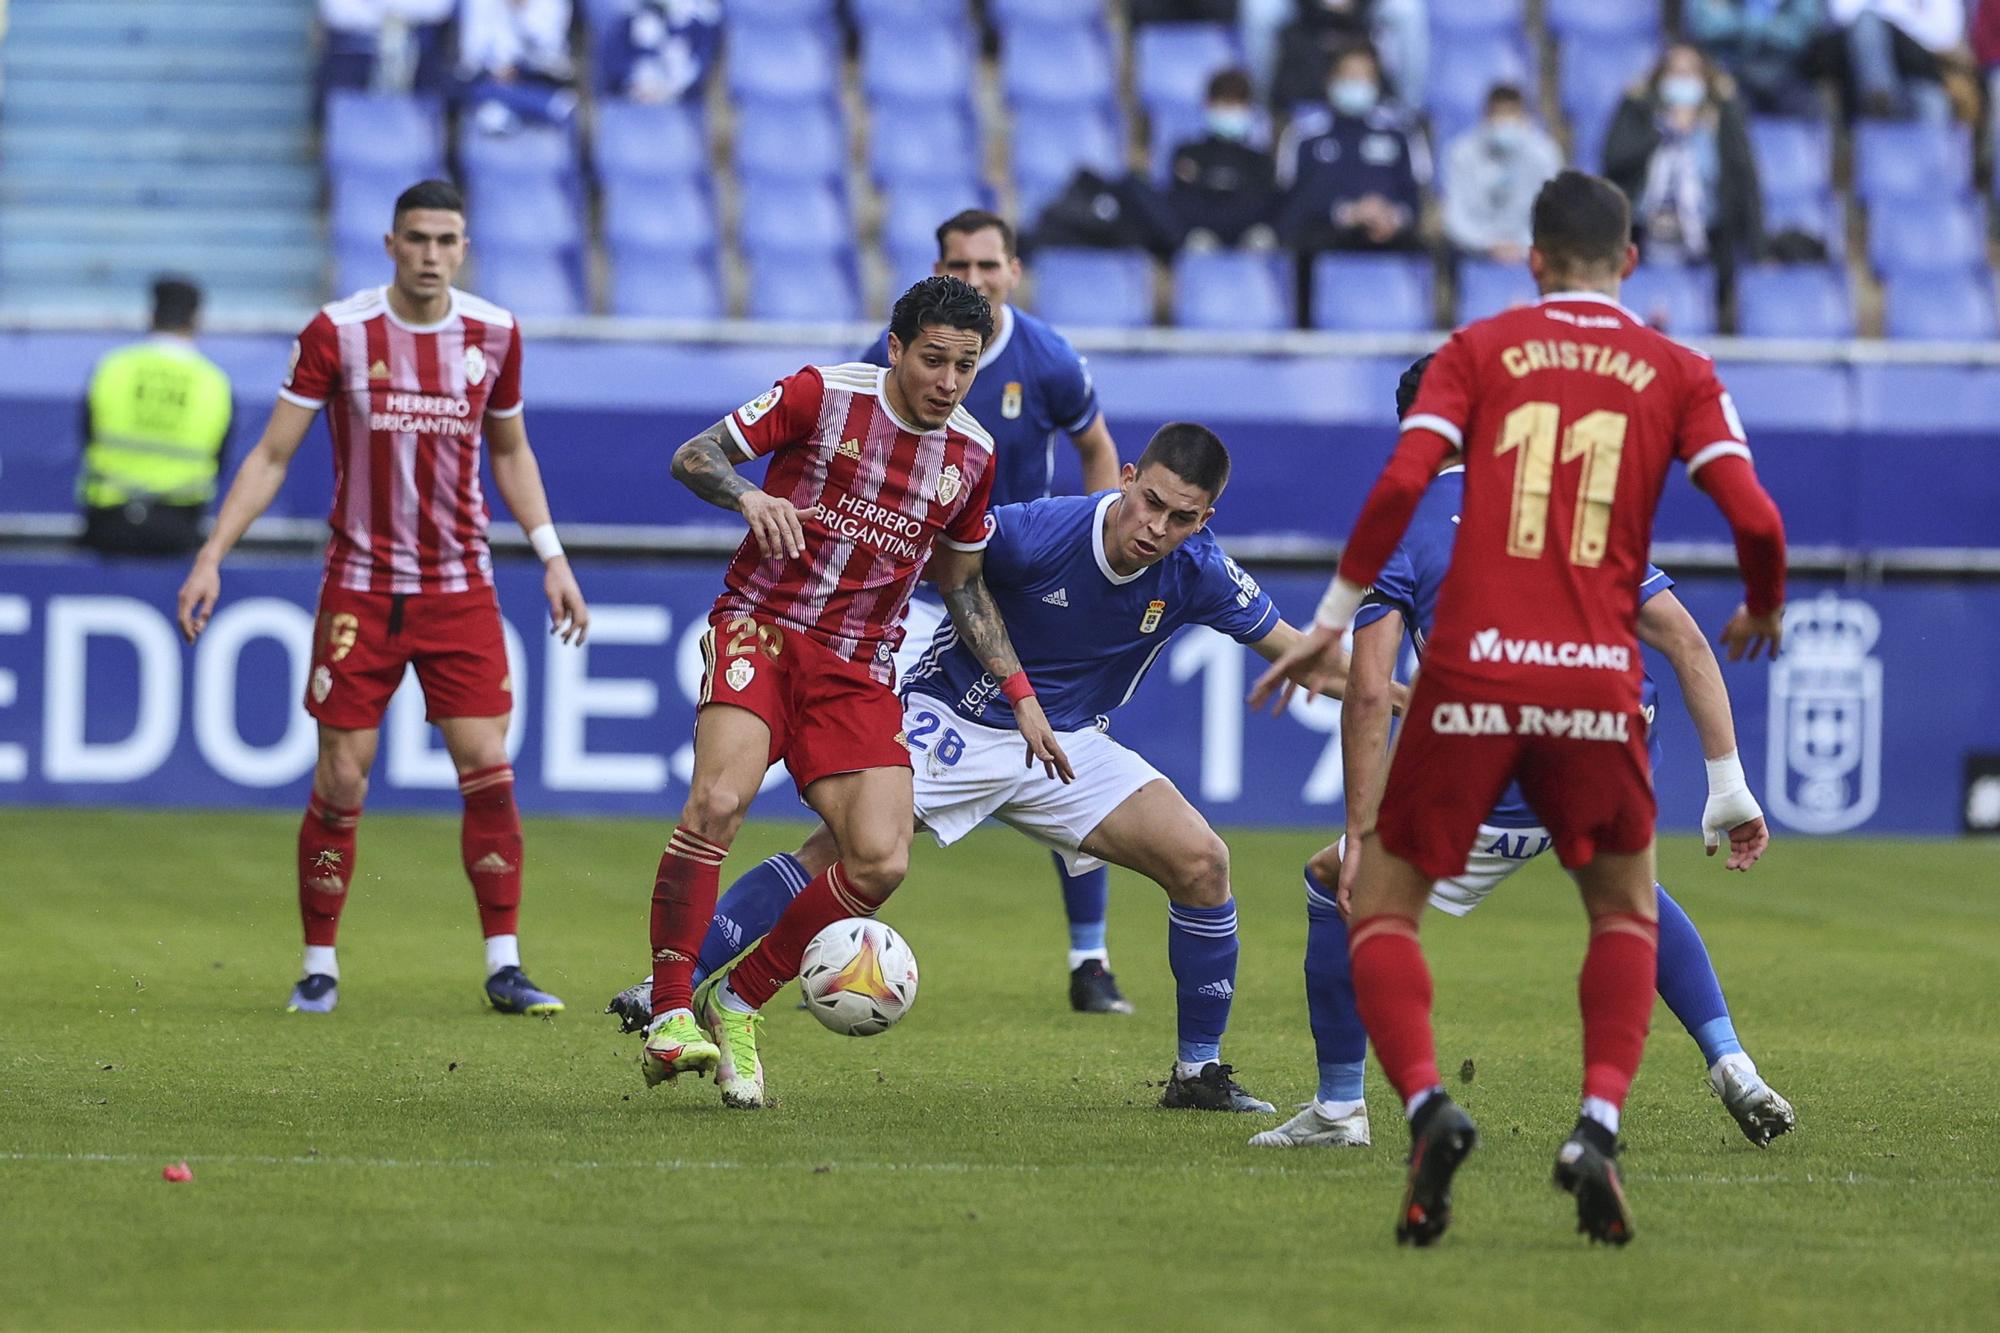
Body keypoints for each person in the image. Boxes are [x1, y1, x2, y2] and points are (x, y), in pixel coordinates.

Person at [1252, 170, 1787, 1247]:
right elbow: (1755, 518)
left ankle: (1414, 1103)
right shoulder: (1677, 368)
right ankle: (1594, 1122)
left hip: (1471, 687)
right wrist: (1761, 609)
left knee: (1373, 899)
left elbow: (1401, 486)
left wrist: (1331, 608)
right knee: (1621, 909)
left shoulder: (1476, 354)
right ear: (1627, 262)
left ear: (1530, 257)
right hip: (1595, 685)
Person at [621, 425, 1367, 1112]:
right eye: (1151, 503)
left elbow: (1302, 654)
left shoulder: (1199, 569)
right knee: (840, 855)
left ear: (1203, 522)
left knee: (1203, 862)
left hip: (1066, 744)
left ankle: (1197, 1074)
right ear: (1130, 478)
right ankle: (672, 987)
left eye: (1181, 519)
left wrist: (1396, 691)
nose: (1156, 528)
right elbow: (951, 567)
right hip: (954, 716)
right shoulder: (1044, 528)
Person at [639, 276, 1071, 1108]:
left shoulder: (973, 455)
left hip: (861, 663)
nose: (948, 381)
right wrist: (751, 493)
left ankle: (735, 1002)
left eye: (966, 366)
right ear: (897, 348)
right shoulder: (820, 395)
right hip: (762, 626)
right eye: (934, 360)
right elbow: (694, 455)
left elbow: (966, 585)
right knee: (719, 801)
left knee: (879, 858)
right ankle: (667, 1015)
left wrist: (1019, 692)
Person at [175, 179, 590, 1017]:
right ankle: (319, 964)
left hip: (460, 588)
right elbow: (270, 454)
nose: (431, 255)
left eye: (446, 241)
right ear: (391, 243)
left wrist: (552, 555)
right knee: (341, 777)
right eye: (417, 239)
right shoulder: (340, 331)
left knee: (487, 764)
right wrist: (213, 553)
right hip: (360, 591)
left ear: (463, 248)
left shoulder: (496, 333)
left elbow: (511, 451)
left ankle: (504, 964)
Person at [856, 211, 1132, 1015]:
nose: (973, 278)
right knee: (879, 758)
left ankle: (1090, 959)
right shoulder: (914, 348)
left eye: (987, 264)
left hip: (1014, 587)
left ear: (1013, 270)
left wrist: (1092, 533)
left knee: (1074, 758)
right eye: (957, 264)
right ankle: (834, 931)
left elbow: (1096, 446)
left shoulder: (1047, 358)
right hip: (912, 578)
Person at [78, 277, 233, 556]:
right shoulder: (214, 382)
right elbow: (220, 459)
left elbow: (88, 438)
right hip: (179, 531)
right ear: (196, 320)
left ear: (150, 316)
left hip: (108, 526)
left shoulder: (112, 368)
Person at [1602, 44, 1762, 276]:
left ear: (1705, 78)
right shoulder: (1637, 108)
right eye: (1675, 72)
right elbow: (1614, 161)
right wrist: (1661, 131)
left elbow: (1745, 179)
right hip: (1642, 239)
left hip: (1710, 242)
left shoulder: (1723, 115)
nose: (1682, 80)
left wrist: (1759, 249)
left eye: (1690, 73)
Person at [1276, 45, 1428, 255]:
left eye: (1366, 77)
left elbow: (1415, 198)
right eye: (1350, 76)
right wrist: (1348, 213)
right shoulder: (1304, 134)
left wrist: (1392, 216)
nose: (1358, 84)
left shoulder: (1400, 132)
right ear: (1331, 80)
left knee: (1420, 248)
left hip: (1388, 236)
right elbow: (1292, 202)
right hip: (1326, 239)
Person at [1441, 85, 1564, 265]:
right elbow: (1454, 215)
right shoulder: (1460, 152)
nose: (1505, 122)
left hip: (1530, 255)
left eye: (1511, 114)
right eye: (1499, 114)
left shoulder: (1544, 153)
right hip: (1475, 255)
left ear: (1525, 117)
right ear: (1485, 117)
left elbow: (1552, 214)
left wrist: (1522, 245)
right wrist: (1486, 244)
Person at [1167, 68, 1282, 251]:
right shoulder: (1188, 153)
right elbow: (1180, 202)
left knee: (1261, 239)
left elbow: (1264, 205)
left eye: (1237, 104)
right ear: (1208, 104)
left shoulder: (1259, 160)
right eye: (1225, 103)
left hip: (1246, 236)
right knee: (1197, 241)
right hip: (1200, 233)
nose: (1231, 111)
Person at [1684, 0, 1825, 116]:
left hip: (1788, 75)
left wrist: (1739, 22)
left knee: (1810, 109)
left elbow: (1799, 36)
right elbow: (1708, 27)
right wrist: (1774, 26)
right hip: (1731, 72)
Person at [457, 0, 578, 134]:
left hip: (537, 73)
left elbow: (552, 49)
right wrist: (497, 68)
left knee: (490, 98)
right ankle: (545, 104)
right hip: (492, 76)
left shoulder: (553, 3)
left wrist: (521, 11)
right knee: (484, 103)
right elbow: (471, 53)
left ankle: (536, 102)